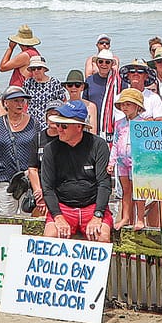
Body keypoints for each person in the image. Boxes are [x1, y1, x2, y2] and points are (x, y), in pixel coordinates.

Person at [38, 100, 112, 242]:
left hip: (92, 206)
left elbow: (104, 183)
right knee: (49, 236)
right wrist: (58, 217)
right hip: (63, 207)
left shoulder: (98, 145)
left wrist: (98, 215)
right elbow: (47, 188)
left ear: (79, 127)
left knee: (102, 236)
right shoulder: (50, 149)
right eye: (58, 124)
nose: (59, 129)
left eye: (64, 126)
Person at [0, 87, 41, 216]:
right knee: (6, 220)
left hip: (27, 181)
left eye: (22, 101)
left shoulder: (34, 123)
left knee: (27, 219)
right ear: (5, 103)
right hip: (3, 180)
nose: (20, 104)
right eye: (15, 100)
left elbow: (38, 150)